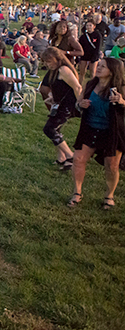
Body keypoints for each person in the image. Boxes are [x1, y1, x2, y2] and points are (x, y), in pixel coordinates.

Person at [69, 57, 125, 210]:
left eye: (103, 66)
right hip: (90, 128)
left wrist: (121, 101)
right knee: (78, 159)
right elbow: (77, 103)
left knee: (112, 166)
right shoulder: (90, 84)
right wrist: (81, 104)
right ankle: (77, 193)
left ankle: (109, 196)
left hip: (112, 132)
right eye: (98, 65)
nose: (98, 68)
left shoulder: (121, 88)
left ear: (113, 71)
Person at [41, 47, 83, 170]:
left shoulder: (64, 69)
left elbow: (77, 87)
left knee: (50, 129)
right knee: (56, 129)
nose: (47, 65)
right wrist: (52, 96)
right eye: (45, 62)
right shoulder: (55, 70)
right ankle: (63, 159)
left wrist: (79, 104)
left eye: (49, 61)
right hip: (60, 104)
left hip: (67, 105)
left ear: (58, 59)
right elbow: (60, 87)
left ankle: (71, 156)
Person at [79, 19, 103, 84]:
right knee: (82, 72)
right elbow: (80, 46)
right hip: (85, 55)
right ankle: (80, 85)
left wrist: (95, 57)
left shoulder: (97, 35)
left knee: (92, 72)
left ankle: (92, 86)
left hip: (93, 55)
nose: (88, 27)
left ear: (94, 26)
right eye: (87, 25)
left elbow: (98, 46)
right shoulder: (83, 36)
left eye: (90, 25)